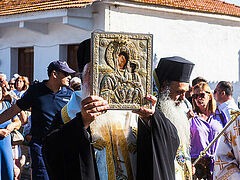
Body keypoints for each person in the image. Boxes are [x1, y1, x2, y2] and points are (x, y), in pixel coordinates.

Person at [43, 39, 180, 180]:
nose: (102, 78)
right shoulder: (70, 113)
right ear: (83, 77)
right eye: (94, 72)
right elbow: (51, 152)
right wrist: (81, 123)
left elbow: (171, 142)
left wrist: (152, 120)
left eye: (111, 71)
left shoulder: (136, 108)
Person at [0, 60, 75, 180]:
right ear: (54, 74)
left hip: (62, 147)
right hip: (40, 147)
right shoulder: (35, 91)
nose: (69, 77)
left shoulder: (70, 94)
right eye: (65, 74)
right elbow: (14, 110)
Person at [153, 56, 195, 180]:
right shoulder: (150, 117)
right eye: (179, 92)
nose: (183, 98)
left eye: (185, 93)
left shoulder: (178, 111)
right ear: (164, 87)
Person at [190, 82, 225, 179]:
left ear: (209, 96)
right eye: (195, 96)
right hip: (198, 167)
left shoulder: (220, 116)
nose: (198, 99)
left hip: (219, 164)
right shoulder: (192, 117)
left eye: (201, 95)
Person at [213, 82, 240, 179]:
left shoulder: (231, 111)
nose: (213, 94)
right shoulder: (227, 110)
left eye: (215, 92)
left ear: (222, 93)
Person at [0, 86, 21, 180]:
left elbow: (18, 122)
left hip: (6, 145)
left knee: (8, 172)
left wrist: (12, 125)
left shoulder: (7, 105)